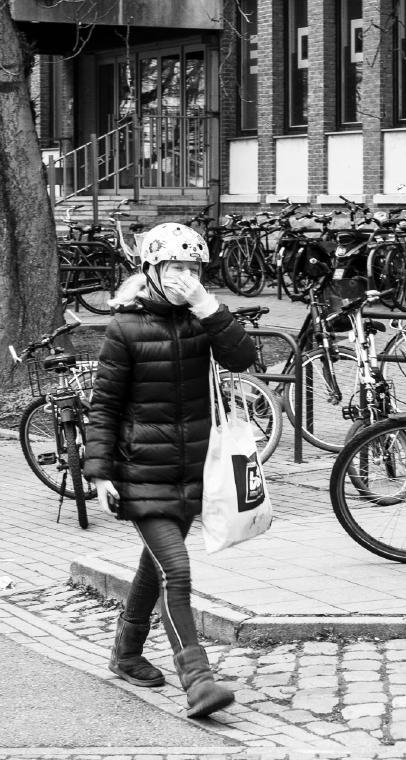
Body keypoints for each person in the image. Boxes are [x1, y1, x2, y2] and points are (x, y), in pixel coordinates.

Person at [83, 222, 257, 719]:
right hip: (140, 471)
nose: (186, 276)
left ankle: (125, 652)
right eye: (176, 267)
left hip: (194, 469)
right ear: (152, 271)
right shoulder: (125, 327)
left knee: (153, 567)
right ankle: (198, 680)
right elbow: (104, 407)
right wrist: (100, 475)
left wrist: (207, 306)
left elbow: (243, 357)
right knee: (175, 571)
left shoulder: (202, 318)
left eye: (194, 268)